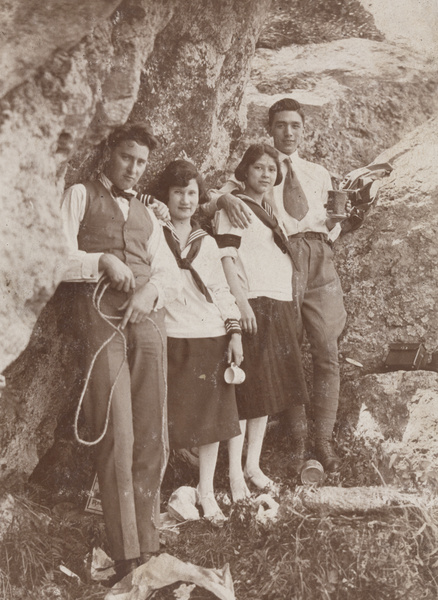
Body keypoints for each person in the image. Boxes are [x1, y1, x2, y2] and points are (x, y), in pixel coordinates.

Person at [58, 123, 180, 585]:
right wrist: (101, 262)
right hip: (98, 311)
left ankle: (150, 543)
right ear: (110, 152)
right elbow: (54, 255)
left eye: (141, 162)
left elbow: (167, 270)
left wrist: (150, 291)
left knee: (152, 430)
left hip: (147, 318)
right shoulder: (80, 194)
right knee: (119, 432)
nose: (133, 168)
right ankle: (127, 551)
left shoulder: (150, 214)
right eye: (127, 157)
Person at [205, 98, 347, 473]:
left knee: (327, 348)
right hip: (286, 256)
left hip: (320, 256)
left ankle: (324, 440)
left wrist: (339, 224)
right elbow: (212, 198)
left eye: (295, 125)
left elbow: (334, 218)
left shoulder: (318, 173)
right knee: (287, 349)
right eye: (281, 125)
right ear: (270, 128)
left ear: (304, 129)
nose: (288, 132)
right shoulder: (260, 167)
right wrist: (222, 196)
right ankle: (299, 443)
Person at [214, 143, 309, 499]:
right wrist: (241, 306)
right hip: (254, 303)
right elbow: (225, 258)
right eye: (258, 167)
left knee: (266, 394)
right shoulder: (234, 207)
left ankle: (253, 465)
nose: (266, 174)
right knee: (247, 393)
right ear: (245, 171)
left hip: (278, 302)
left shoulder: (270, 209)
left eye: (271, 169)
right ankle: (235, 472)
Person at [154, 159, 243, 524]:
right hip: (171, 337)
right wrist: (154, 205)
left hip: (210, 334)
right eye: (178, 193)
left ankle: (206, 491)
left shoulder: (206, 242)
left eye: (192, 193)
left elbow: (221, 289)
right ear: (166, 196)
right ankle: (156, 492)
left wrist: (235, 330)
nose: (186, 200)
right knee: (161, 418)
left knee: (213, 420)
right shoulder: (153, 233)